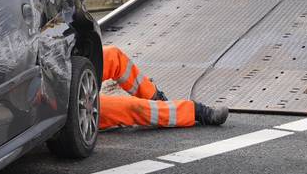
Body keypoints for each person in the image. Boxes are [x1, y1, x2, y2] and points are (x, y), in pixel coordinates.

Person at [98, 45, 229, 129]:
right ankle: (195, 111)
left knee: (112, 55)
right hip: (78, 108)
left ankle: (156, 99)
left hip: (78, 77)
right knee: (132, 107)